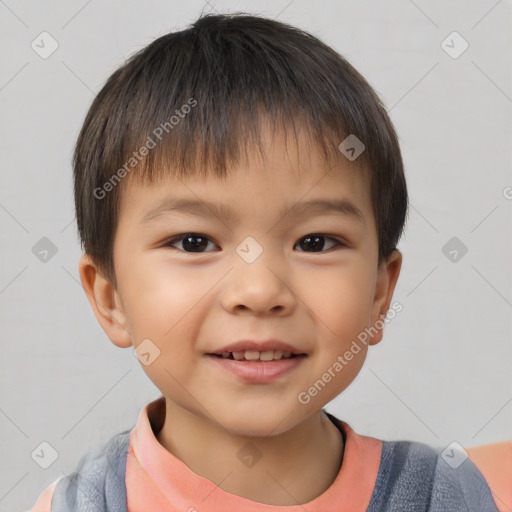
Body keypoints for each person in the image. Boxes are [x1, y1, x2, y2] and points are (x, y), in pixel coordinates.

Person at [29, 12, 511, 512]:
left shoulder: (453, 497)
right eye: (194, 242)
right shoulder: (80, 504)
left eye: (316, 242)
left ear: (377, 294)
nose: (259, 291)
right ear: (110, 298)